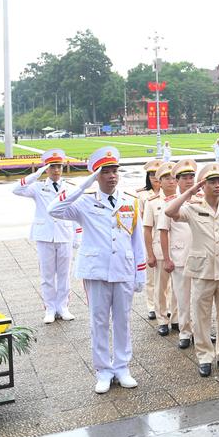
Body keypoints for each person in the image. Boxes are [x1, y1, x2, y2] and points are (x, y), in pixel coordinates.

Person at [48, 146, 146, 394]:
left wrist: (140, 273)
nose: (112, 176)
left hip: (123, 269)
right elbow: (54, 210)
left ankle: (122, 367)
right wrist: (83, 185)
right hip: (96, 270)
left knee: (123, 321)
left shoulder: (131, 201)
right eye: (106, 172)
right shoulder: (84, 201)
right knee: (99, 321)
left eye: (115, 171)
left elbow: (137, 240)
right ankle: (103, 370)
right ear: (96, 175)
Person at [164, 162, 219, 376]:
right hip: (202, 270)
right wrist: (190, 191)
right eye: (212, 182)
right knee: (201, 317)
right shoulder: (193, 208)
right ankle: (205, 357)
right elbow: (170, 210)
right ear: (203, 185)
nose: (217, 185)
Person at [13, 148, 77, 324]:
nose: (56, 170)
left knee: (64, 274)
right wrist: (37, 173)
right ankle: (49, 308)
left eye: (59, 166)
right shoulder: (39, 187)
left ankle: (63, 307)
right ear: (47, 169)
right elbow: (16, 189)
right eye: (52, 167)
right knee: (47, 275)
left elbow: (76, 212)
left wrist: (77, 237)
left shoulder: (69, 187)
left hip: (64, 234)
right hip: (45, 235)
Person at [159, 159, 198, 349]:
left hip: (201, 258)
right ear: (177, 180)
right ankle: (185, 332)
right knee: (183, 299)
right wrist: (166, 258)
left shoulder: (202, 201)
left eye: (192, 177)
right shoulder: (169, 203)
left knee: (201, 299)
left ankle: (201, 332)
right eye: (185, 178)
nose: (189, 181)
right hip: (180, 257)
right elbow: (163, 231)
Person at [143, 162, 178, 336]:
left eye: (173, 178)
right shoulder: (152, 202)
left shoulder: (184, 199)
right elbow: (147, 229)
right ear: (160, 181)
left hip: (180, 250)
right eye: (166, 178)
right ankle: (162, 319)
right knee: (160, 288)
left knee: (180, 289)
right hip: (160, 252)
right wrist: (150, 254)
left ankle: (177, 318)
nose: (171, 181)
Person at [138, 159, 162, 320]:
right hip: (149, 235)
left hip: (165, 237)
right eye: (151, 175)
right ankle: (152, 306)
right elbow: (141, 217)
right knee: (151, 276)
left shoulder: (170, 192)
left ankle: (164, 305)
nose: (154, 178)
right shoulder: (142, 194)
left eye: (157, 174)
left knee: (167, 277)